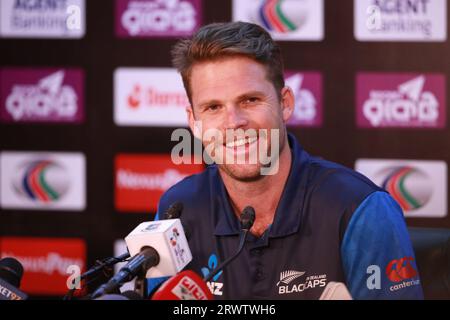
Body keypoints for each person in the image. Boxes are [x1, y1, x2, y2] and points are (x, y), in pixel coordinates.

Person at [151, 21, 423, 300]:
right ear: (193, 122)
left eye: (250, 100)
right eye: (213, 107)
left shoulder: (360, 207)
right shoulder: (178, 209)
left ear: (285, 104)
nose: (233, 123)